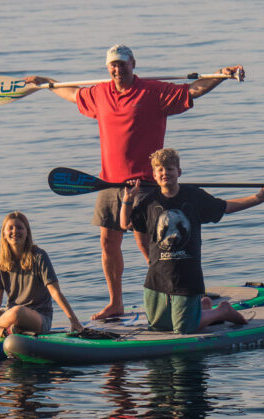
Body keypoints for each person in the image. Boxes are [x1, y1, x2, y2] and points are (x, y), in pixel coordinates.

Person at [25, 44, 246, 320]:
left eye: (122, 64)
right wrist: (48, 84)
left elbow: (193, 91)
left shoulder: (154, 92)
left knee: (150, 244)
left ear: (133, 64)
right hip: (107, 183)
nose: (117, 69)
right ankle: (115, 302)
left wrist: (220, 76)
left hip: (145, 185)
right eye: (112, 65)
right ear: (108, 68)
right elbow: (72, 94)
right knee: (108, 243)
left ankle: (182, 294)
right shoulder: (100, 93)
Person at [119, 148, 264, 334]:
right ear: (153, 175)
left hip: (187, 277)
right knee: (159, 328)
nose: (165, 173)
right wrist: (127, 200)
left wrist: (258, 198)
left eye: (169, 169)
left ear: (179, 172)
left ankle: (221, 311)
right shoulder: (147, 201)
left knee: (185, 329)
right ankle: (203, 308)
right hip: (156, 277)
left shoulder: (193, 196)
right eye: (160, 170)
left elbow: (226, 207)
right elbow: (125, 223)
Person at [0, 211, 83, 337]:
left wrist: (74, 320)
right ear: (4, 233)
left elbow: (55, 292)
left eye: (19, 228)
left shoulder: (39, 256)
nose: (15, 231)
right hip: (8, 315)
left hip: (38, 317)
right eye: (10, 228)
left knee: (18, 311)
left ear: (27, 232)